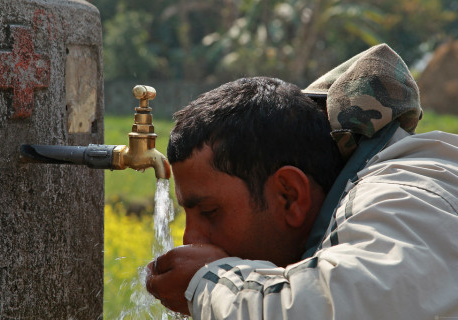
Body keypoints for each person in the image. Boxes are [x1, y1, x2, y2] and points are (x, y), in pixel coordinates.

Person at [146, 44, 458, 319]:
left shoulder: (404, 194)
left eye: (211, 212)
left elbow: (340, 308)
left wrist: (208, 282)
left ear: (290, 196)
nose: (190, 240)